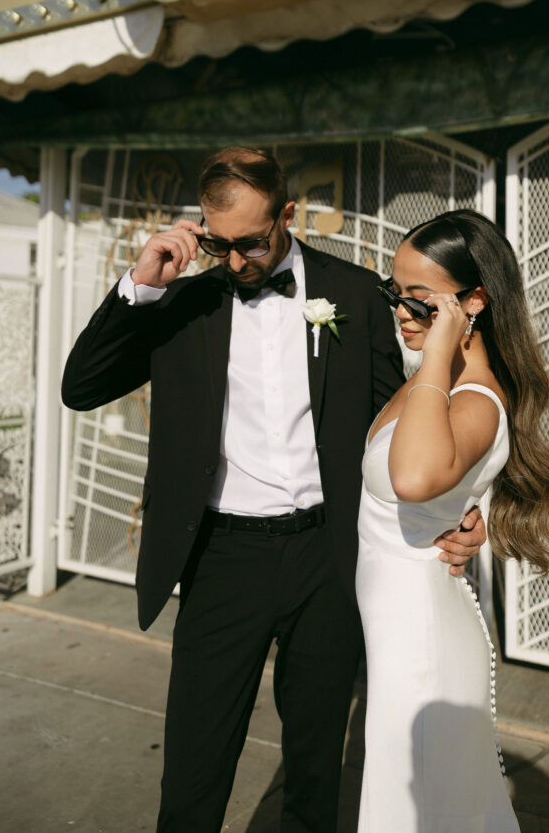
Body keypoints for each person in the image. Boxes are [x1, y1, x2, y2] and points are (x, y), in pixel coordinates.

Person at [61, 148, 487, 833]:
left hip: (326, 554)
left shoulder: (351, 295)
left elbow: (399, 426)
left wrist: (459, 511)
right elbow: (79, 388)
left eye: (251, 243)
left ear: (287, 215)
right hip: (222, 558)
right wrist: (139, 285)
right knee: (193, 770)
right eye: (217, 244)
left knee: (315, 766)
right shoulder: (178, 302)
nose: (234, 261)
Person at [356, 209, 549, 832]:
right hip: (399, 629)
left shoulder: (470, 396)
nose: (401, 313)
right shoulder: (434, 379)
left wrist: (439, 353)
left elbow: (414, 479)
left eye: (421, 302)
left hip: (420, 640)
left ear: (474, 301)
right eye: (395, 293)